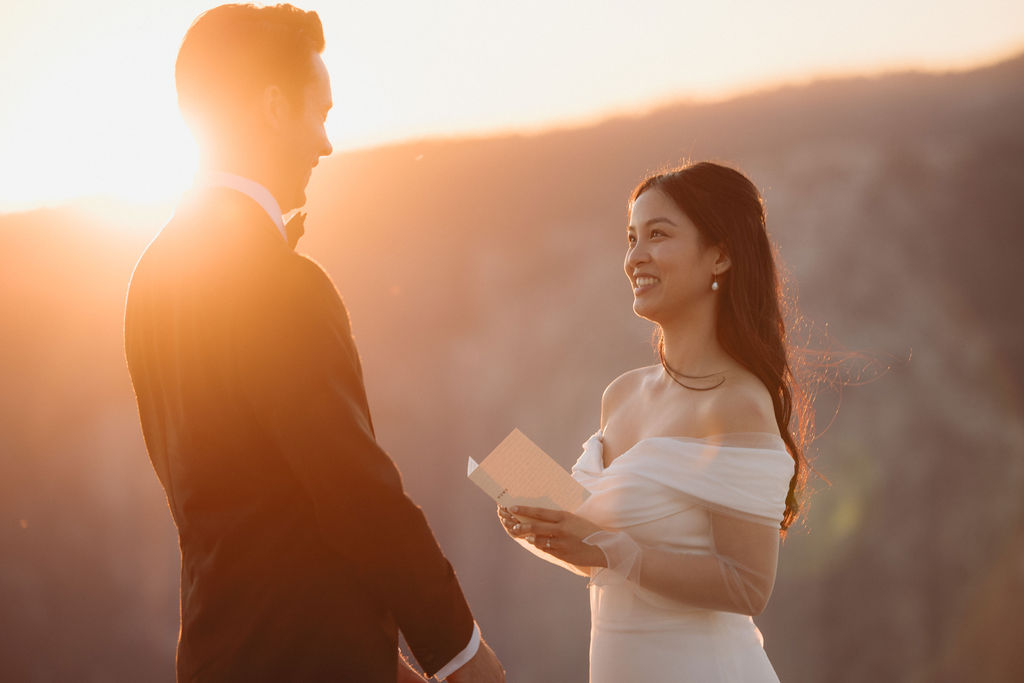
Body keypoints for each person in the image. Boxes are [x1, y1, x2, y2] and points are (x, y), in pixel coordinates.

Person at [124, 4, 504, 682]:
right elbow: (353, 486)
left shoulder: (149, 277)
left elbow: (241, 498)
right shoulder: (281, 281)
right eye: (319, 113)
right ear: (273, 107)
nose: (326, 143)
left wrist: (373, 650)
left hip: (219, 652)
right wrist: (459, 651)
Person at [497, 161, 809, 682]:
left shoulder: (737, 404)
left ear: (721, 255)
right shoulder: (620, 394)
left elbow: (747, 586)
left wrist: (610, 549)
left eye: (658, 236)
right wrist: (546, 522)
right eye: (630, 237)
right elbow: (608, 556)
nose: (634, 258)